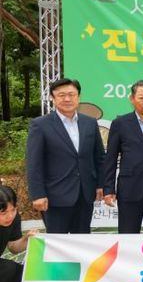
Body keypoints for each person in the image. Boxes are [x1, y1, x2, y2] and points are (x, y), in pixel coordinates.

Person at [26, 78, 105, 234]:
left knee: (81, 240)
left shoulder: (89, 123)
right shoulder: (40, 125)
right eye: (61, 95)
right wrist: (38, 194)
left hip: (85, 195)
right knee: (57, 241)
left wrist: (100, 184)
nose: (67, 99)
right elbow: (34, 163)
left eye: (71, 94)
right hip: (54, 197)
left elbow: (99, 157)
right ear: (53, 98)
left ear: (78, 97)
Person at [103, 80, 143, 233]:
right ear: (132, 99)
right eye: (141, 98)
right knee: (128, 234)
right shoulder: (120, 123)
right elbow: (111, 158)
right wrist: (108, 189)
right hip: (130, 189)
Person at [0, 185, 38, 282]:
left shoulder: (13, 219)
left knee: (23, 275)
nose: (9, 216)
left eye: (13, 210)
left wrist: (26, 239)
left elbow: (13, 247)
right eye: (3, 213)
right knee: (7, 269)